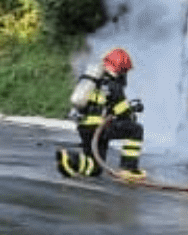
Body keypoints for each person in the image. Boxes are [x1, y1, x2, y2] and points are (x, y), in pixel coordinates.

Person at [56, 47, 145, 180]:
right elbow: (123, 112)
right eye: (124, 71)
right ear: (119, 70)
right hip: (100, 128)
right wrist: (133, 110)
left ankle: (71, 160)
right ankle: (129, 168)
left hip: (85, 128)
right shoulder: (113, 85)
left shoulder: (92, 81)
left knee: (95, 168)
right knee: (136, 130)